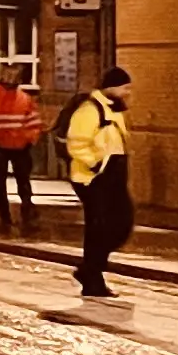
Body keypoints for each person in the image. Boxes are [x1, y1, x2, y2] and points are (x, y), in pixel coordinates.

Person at [68, 64, 134, 299]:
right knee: (98, 228)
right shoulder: (90, 110)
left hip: (113, 176)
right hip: (91, 177)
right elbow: (76, 143)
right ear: (112, 87)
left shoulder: (114, 110)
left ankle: (89, 270)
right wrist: (95, 164)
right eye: (125, 88)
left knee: (121, 224)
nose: (128, 92)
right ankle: (92, 278)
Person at [0, 72, 45, 235]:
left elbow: (33, 123)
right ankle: (15, 215)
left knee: (12, 182)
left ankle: (17, 214)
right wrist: (28, 139)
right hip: (8, 146)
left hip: (12, 146)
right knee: (16, 181)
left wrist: (29, 138)